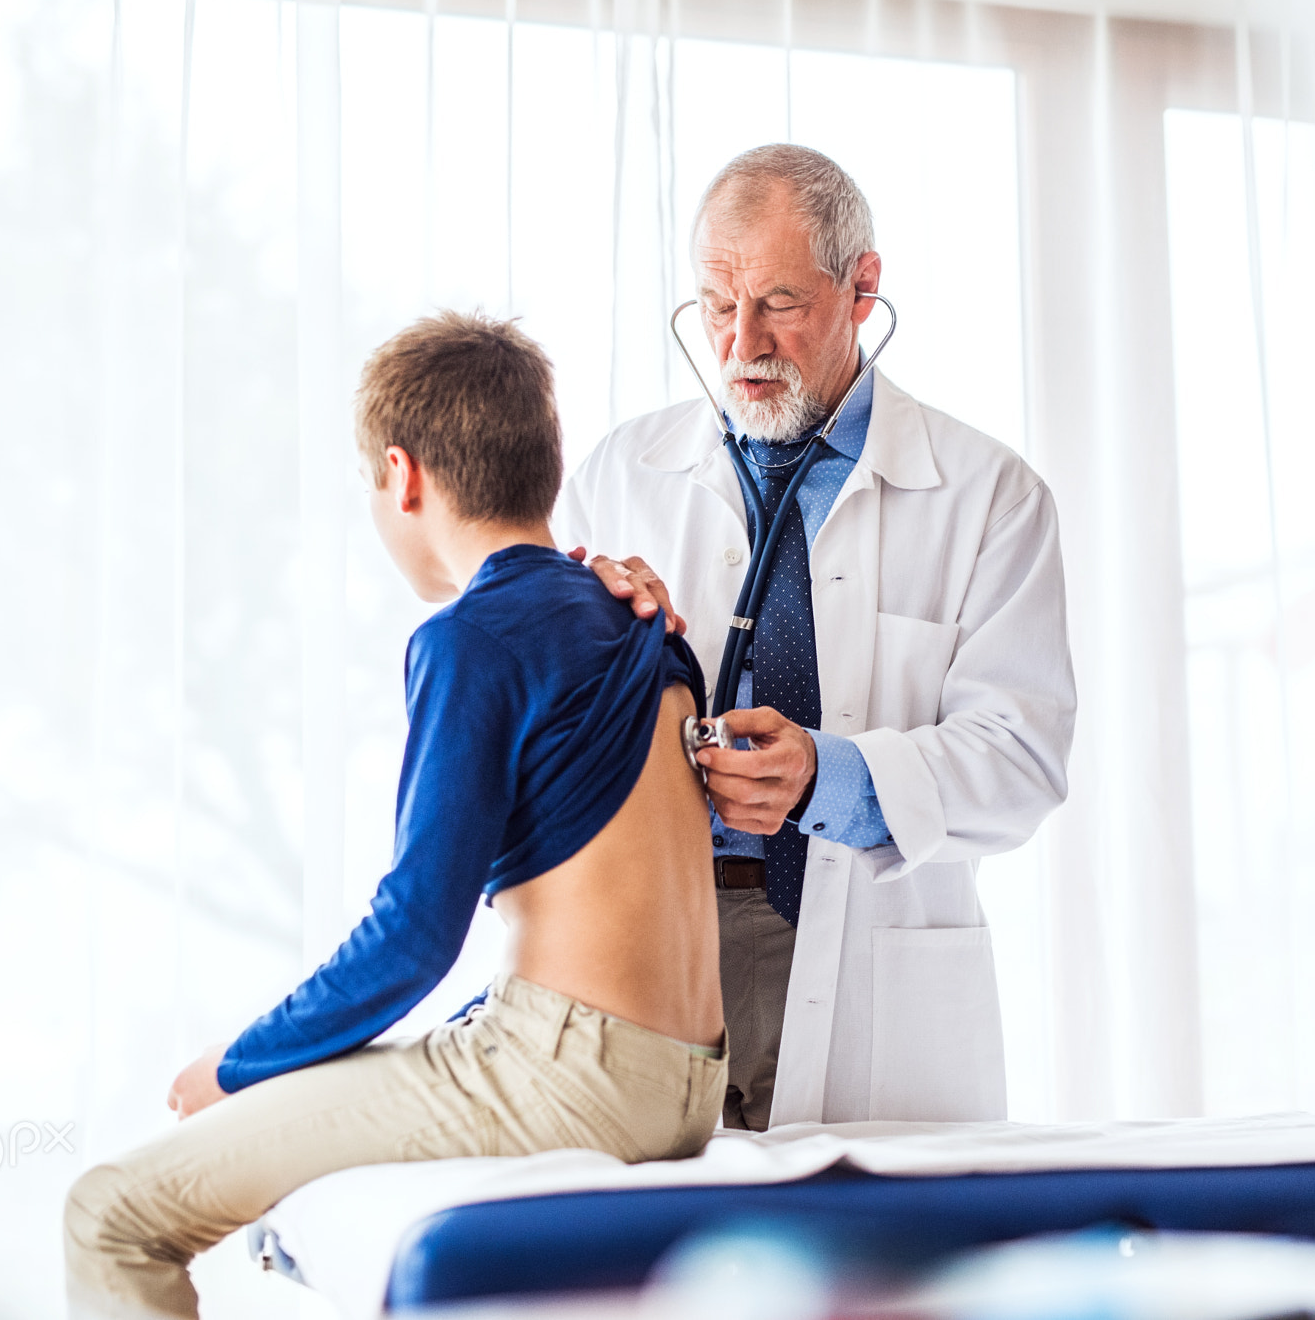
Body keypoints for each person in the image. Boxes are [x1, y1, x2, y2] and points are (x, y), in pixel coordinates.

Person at [63, 312, 725, 1319]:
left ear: (403, 476)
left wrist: (237, 1067)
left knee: (109, 1213)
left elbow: (413, 935)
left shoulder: (471, 637)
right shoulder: (639, 618)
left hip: (571, 1077)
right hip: (685, 1083)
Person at [556, 144, 1076, 1132]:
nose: (741, 342)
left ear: (862, 287)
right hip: (659, 942)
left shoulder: (988, 496)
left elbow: (1020, 761)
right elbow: (542, 732)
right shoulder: (625, 474)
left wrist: (827, 779)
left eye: (779, 304)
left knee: (870, 1276)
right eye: (716, 306)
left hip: (866, 941)